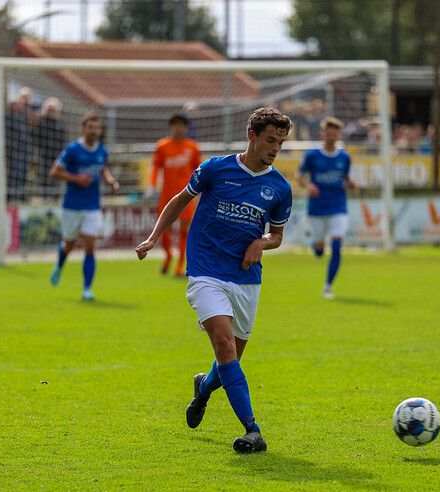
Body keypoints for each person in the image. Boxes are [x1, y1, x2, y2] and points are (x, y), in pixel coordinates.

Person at [134, 107, 293, 454]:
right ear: (252, 136)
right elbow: (179, 201)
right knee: (222, 345)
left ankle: (203, 388)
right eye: (270, 140)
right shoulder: (215, 169)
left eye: (280, 143)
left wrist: (260, 242)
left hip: (246, 280)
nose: (275, 148)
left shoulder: (279, 187)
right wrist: (154, 237)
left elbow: (277, 235)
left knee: (230, 358)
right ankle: (253, 430)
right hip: (206, 271)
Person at [48, 113, 120, 301]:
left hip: (92, 205)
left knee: (90, 246)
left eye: (97, 127)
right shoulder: (72, 150)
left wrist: (111, 181)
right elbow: (54, 172)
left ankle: (87, 289)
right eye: (90, 127)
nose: (94, 130)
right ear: (83, 129)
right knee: (69, 244)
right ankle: (60, 264)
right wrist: (76, 179)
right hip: (71, 205)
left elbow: (102, 169)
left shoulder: (102, 151)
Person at [297, 117, 356, 300]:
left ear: (339, 134)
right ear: (323, 134)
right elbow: (300, 175)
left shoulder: (345, 157)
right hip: (317, 208)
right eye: (328, 133)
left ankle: (328, 287)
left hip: (338, 206)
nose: (331, 136)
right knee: (319, 251)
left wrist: (350, 183)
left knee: (337, 246)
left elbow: (345, 177)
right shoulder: (312, 155)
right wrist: (308, 185)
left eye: (335, 133)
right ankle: (315, 244)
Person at [147, 114, 202, 276]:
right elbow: (156, 167)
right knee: (164, 229)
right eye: (175, 125)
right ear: (171, 127)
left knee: (185, 230)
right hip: (167, 194)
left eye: (182, 125)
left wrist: (202, 188)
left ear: (187, 127)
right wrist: (151, 185)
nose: (179, 129)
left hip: (186, 195)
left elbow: (199, 170)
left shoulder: (193, 147)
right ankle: (168, 256)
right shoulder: (162, 146)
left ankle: (179, 264)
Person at [35, 97, 66, 198]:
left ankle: (55, 197)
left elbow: (63, 140)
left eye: (53, 109)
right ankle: (43, 197)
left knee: (56, 179)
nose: (51, 111)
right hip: (44, 156)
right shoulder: (41, 122)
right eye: (49, 109)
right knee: (44, 178)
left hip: (57, 157)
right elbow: (36, 138)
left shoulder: (60, 124)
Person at [5, 100, 31, 202]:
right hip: (15, 152)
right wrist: (13, 148)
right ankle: (12, 197)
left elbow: (26, 134)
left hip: (25, 151)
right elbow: (7, 135)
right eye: (15, 105)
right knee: (15, 175)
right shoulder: (8, 118)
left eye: (19, 105)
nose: (17, 107)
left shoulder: (22, 118)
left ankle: (21, 195)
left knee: (24, 175)